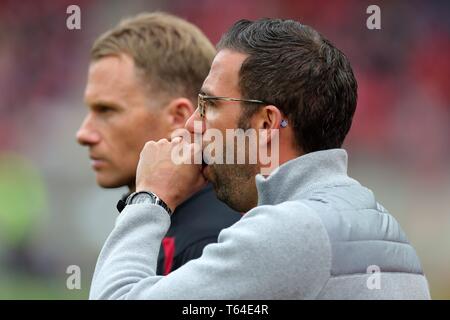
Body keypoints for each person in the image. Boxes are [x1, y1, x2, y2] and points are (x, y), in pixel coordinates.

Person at [89, 18, 431, 299]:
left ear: (266, 123)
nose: (193, 123)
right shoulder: (384, 225)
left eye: (209, 105)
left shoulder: (291, 231)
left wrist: (150, 198)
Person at [76, 12, 240, 276]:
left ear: (177, 117)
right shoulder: (165, 224)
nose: (83, 133)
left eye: (106, 110)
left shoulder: (210, 246)